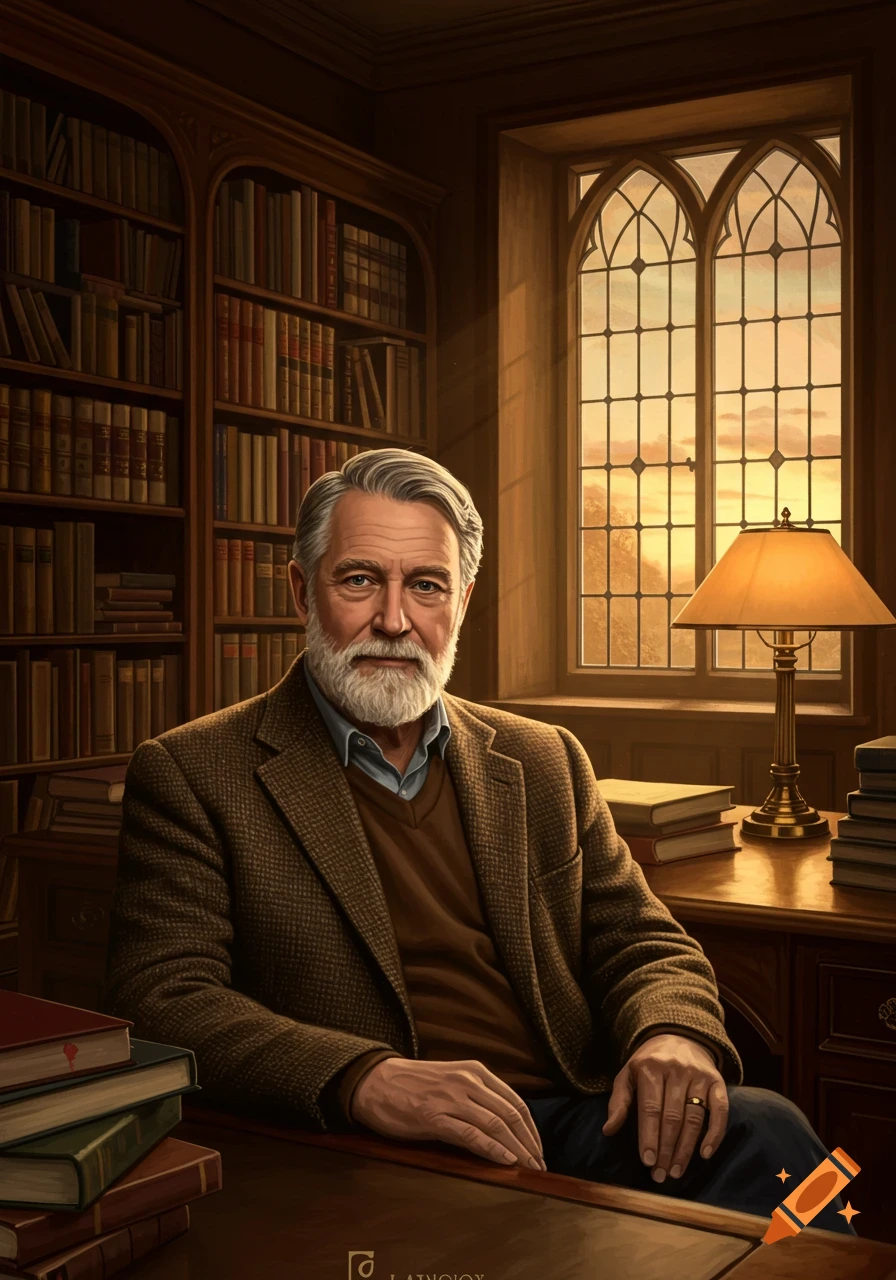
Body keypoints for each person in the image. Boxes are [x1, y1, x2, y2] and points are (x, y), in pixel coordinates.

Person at [105, 449, 854, 1233]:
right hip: (376, 1141)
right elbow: (162, 1002)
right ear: (303, 590)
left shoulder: (542, 758)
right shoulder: (194, 771)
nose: (393, 620)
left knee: (780, 1144)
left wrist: (674, 1032)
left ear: (461, 600)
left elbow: (642, 940)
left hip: (572, 1118)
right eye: (360, 579)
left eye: (425, 586)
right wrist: (364, 1078)